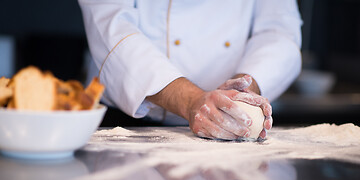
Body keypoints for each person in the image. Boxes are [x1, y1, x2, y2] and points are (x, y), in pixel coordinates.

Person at [78, 0, 302, 140]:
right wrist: (191, 100)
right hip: (126, 126)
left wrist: (243, 90)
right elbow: (111, 28)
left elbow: (279, 32)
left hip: (231, 129)